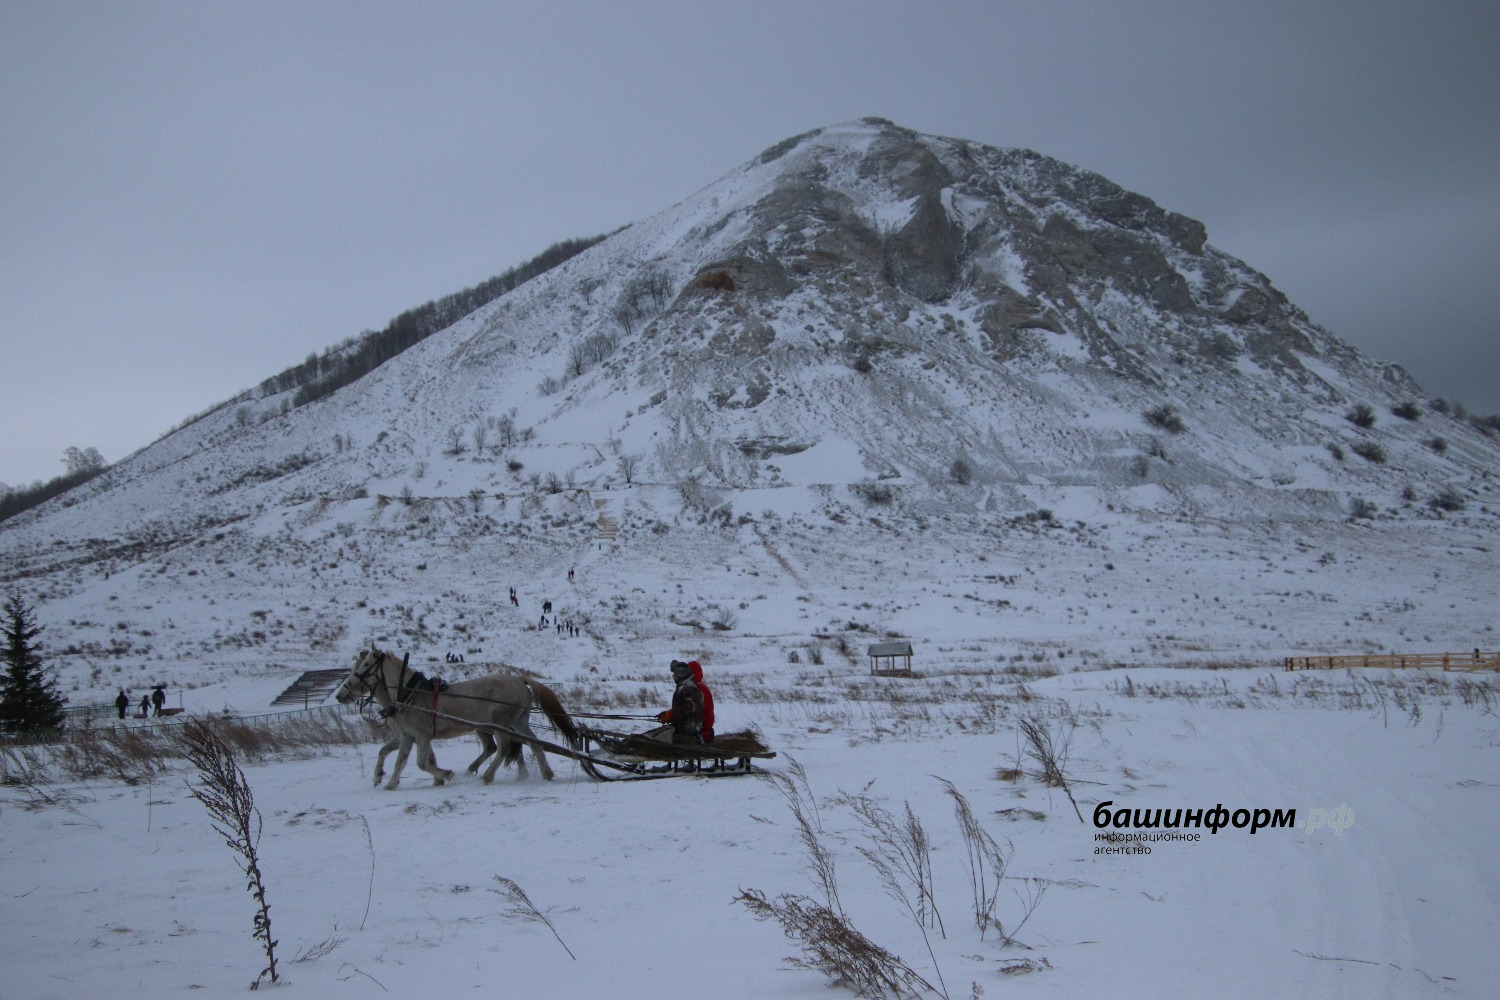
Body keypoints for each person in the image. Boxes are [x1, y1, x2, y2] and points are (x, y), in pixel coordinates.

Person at [657, 660, 714, 745]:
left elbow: (692, 709)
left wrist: (671, 715)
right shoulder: (689, 687)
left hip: (701, 725)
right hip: (692, 724)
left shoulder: (698, 688)